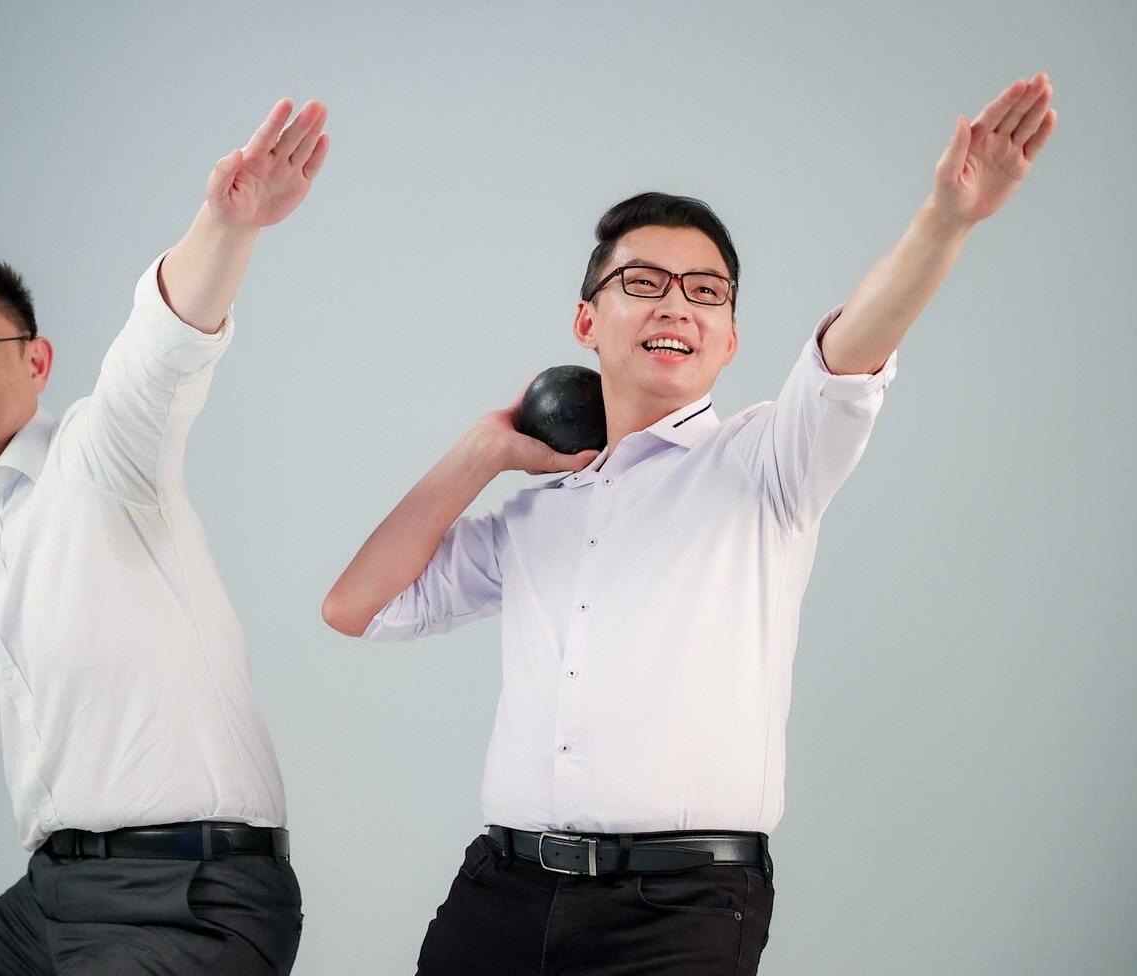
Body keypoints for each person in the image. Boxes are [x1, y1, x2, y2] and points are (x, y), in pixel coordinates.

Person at [323, 75, 1055, 975]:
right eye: (643, 283)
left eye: (706, 292)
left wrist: (945, 220)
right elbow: (354, 606)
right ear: (586, 321)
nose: (676, 305)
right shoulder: (534, 515)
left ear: (729, 339)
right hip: (500, 893)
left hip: (677, 911)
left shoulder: (769, 464)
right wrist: (478, 452)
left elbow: (851, 350)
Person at [0, 98, 330, 975]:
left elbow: (164, 343)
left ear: (35, 362)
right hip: (45, 904)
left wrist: (227, 223)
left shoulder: (106, 455)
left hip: (197, 895)